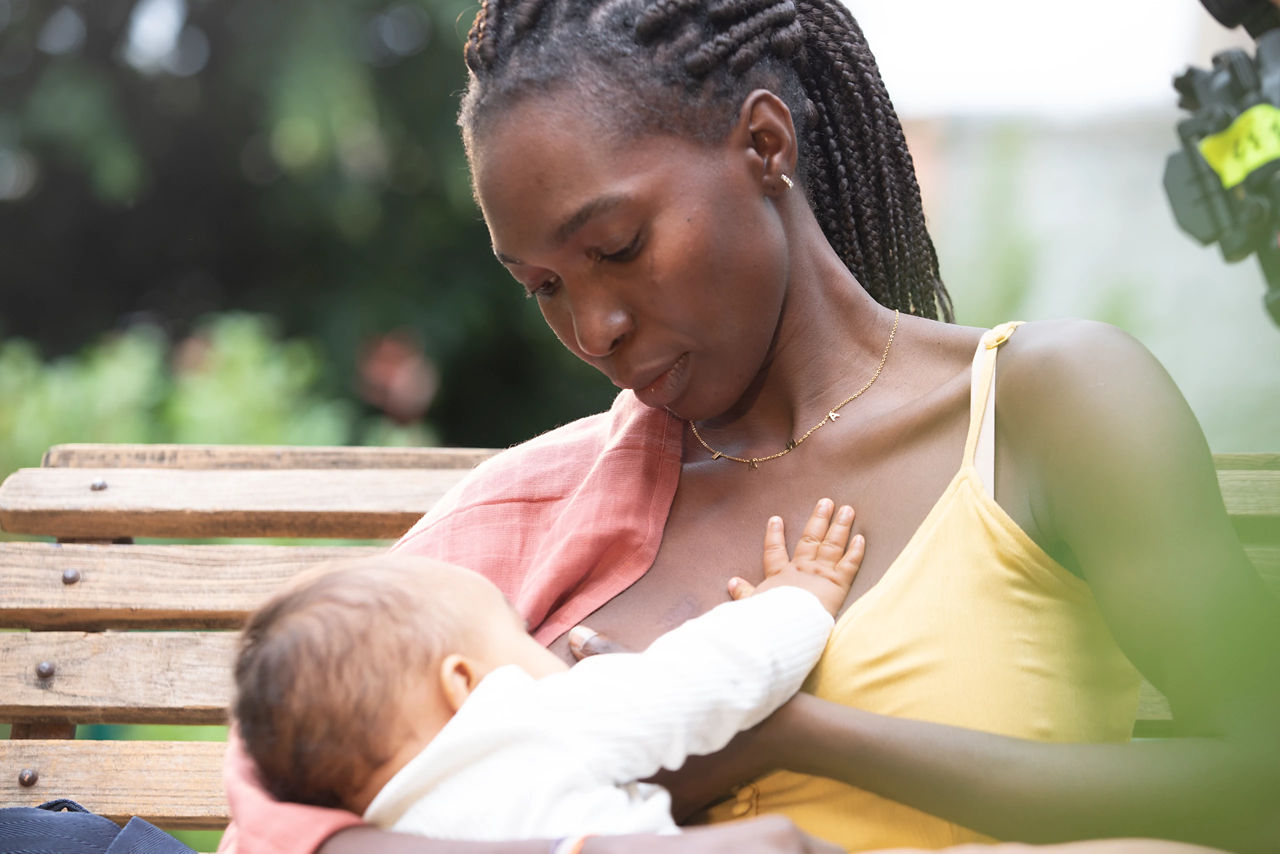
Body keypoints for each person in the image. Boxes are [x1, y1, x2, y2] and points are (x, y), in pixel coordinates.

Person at [220, 1, 1280, 852]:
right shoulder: (532, 514)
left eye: (619, 245)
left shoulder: (1042, 405)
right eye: (541, 284)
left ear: (763, 142)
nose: (594, 326)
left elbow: (1258, 784)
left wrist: (790, 734)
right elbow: (282, 813)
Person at [232, 505, 862, 840]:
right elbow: (713, 676)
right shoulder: (528, 722)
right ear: (462, 684)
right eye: (516, 632)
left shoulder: (384, 829)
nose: (544, 647)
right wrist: (799, 598)